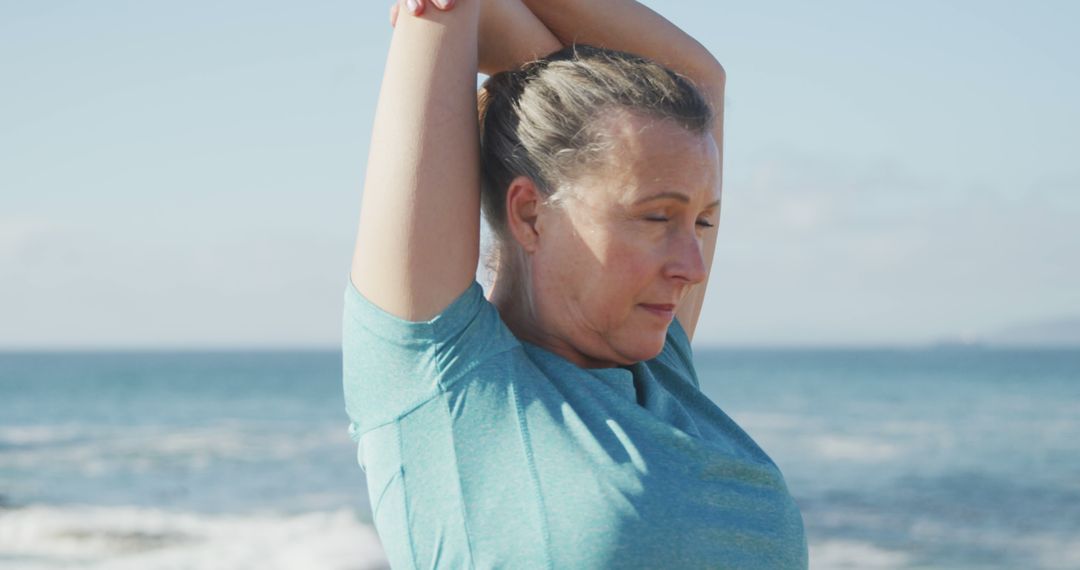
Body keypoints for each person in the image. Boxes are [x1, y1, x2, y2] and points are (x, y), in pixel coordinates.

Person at [342, 0, 808, 567]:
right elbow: (445, 12)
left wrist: (533, 55)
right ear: (531, 215)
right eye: (657, 218)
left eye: (704, 222)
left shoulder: (662, 372)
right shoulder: (443, 379)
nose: (694, 263)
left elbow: (700, 81)